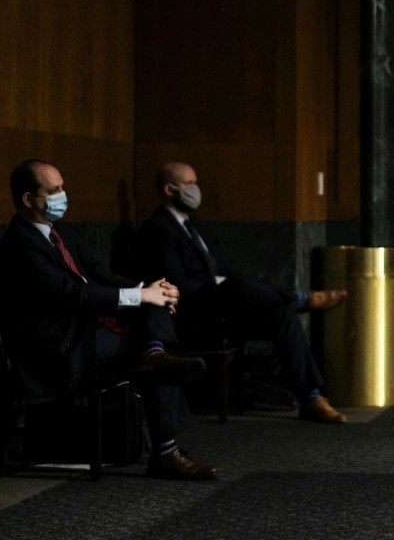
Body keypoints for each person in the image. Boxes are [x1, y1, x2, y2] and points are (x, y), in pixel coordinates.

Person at [0, 159, 218, 480]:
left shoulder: (61, 233)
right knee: (149, 350)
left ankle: (156, 355)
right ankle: (165, 446)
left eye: (62, 187)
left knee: (152, 314)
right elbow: (74, 295)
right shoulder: (20, 245)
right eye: (53, 191)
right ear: (28, 199)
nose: (62, 195)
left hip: (82, 329)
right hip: (53, 351)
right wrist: (140, 297)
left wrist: (148, 290)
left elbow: (97, 273)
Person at [135, 161, 347, 423]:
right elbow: (175, 284)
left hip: (224, 310)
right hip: (195, 313)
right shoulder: (158, 229)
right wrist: (220, 286)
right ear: (169, 189)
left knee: (281, 313)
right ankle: (302, 298)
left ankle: (311, 398)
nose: (196, 190)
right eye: (190, 184)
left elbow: (220, 267)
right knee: (237, 283)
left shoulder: (196, 227)